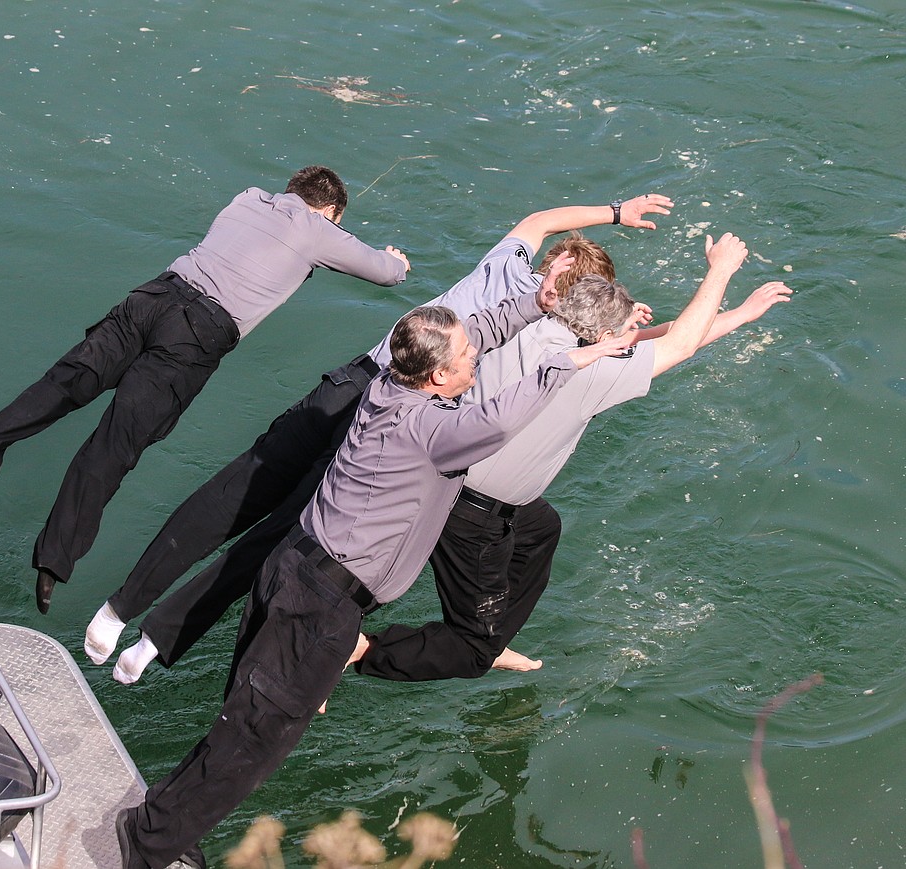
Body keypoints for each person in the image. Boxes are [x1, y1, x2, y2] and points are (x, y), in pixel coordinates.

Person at [114, 273, 638, 869]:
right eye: (468, 358)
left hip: (291, 571)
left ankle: (161, 823)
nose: (477, 361)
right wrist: (568, 361)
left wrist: (529, 305)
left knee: (243, 722)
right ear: (438, 375)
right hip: (318, 606)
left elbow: (479, 331)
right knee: (254, 741)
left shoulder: (389, 386)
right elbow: (495, 421)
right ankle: (149, 846)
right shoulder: (432, 431)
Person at [84, 194, 675, 675]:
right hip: (361, 387)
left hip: (388, 418)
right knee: (234, 494)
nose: (558, 279)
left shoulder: (545, 338)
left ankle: (159, 635)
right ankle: (122, 606)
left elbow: (594, 346)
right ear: (552, 266)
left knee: (279, 536)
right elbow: (542, 222)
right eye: (561, 268)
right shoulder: (507, 266)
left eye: (571, 285)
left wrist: (632, 330)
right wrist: (618, 212)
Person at [0, 166, 410, 613]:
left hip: (153, 297)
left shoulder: (246, 199)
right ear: (330, 212)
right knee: (115, 443)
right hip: (195, 334)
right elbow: (385, 273)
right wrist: (396, 260)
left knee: (63, 384)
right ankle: (53, 561)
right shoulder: (317, 229)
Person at [354, 238, 793, 680]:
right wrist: (720, 272)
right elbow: (679, 345)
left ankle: (489, 636)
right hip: (472, 512)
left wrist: (740, 314)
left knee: (541, 527)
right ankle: (367, 651)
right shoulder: (590, 372)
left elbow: (655, 341)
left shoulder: (524, 326)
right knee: (471, 651)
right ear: (602, 340)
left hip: (446, 481)